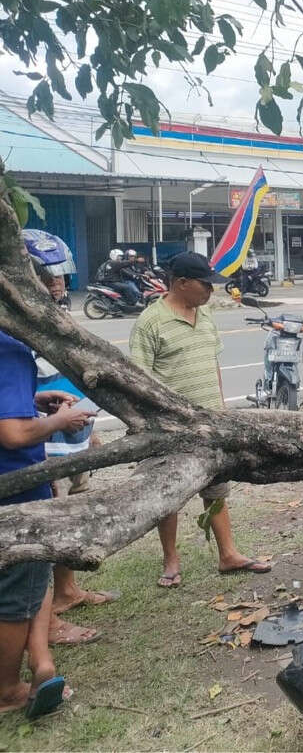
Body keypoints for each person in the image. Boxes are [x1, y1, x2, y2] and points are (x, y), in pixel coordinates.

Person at [129, 252, 272, 587]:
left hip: (209, 421)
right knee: (170, 493)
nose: (210, 290)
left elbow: (212, 363)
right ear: (181, 283)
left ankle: (228, 554)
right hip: (170, 427)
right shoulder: (150, 322)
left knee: (216, 487)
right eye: (205, 284)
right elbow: (139, 380)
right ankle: (171, 560)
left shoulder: (205, 314)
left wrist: (220, 408)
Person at [0, 248, 96, 716]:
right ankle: (6, 692)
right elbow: (13, 434)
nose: (55, 291)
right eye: (47, 284)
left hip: (23, 479)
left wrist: (35, 399)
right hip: (13, 482)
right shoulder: (7, 345)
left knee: (34, 579)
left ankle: (42, 665)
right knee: (16, 592)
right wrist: (64, 421)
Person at [22, 231, 116, 643]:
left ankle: (68, 591)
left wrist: (89, 433)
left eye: (59, 273)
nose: (58, 282)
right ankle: (51, 620)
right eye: (48, 275)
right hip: (44, 447)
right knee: (51, 532)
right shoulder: (21, 329)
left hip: (74, 440)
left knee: (72, 524)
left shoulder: (54, 318)